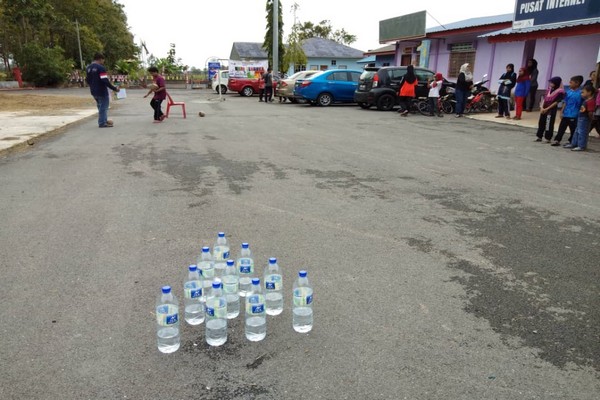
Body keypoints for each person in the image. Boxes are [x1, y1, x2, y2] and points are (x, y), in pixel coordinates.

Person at [86, 52, 120, 128]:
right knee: (104, 107)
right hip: (101, 90)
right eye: (103, 60)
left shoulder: (88, 68)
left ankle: (104, 120)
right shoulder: (101, 68)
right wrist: (114, 88)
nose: (103, 62)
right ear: (101, 59)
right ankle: (102, 123)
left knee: (100, 106)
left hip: (93, 91)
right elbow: (104, 80)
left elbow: (87, 80)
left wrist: (93, 85)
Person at [550, 76, 583, 146]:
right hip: (566, 113)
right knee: (561, 128)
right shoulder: (568, 92)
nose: (569, 84)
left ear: (577, 83)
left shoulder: (581, 93)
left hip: (574, 115)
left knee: (573, 129)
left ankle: (572, 141)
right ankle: (557, 140)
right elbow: (565, 102)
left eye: (571, 82)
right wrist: (561, 112)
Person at [564, 84, 596, 151]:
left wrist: (591, 119)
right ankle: (574, 143)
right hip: (580, 118)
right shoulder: (586, 100)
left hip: (585, 119)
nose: (581, 94)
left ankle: (581, 146)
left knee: (582, 132)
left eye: (583, 92)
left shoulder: (591, 101)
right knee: (577, 131)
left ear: (589, 92)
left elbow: (590, 112)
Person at [535, 77, 564, 142]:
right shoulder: (549, 90)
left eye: (552, 83)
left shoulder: (560, 92)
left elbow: (556, 102)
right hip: (544, 107)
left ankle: (548, 138)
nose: (550, 84)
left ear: (556, 83)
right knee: (541, 122)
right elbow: (544, 99)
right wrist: (542, 107)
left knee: (549, 123)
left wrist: (547, 108)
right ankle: (539, 136)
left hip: (551, 109)